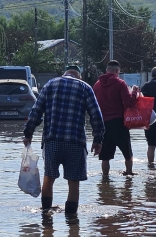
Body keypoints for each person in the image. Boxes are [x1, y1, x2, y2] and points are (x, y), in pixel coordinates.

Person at [23, 65, 104, 214]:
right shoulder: (85, 87)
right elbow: (96, 116)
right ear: (78, 76)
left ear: (64, 74)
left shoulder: (50, 85)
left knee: (49, 177)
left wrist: (28, 133)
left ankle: (46, 217)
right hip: (75, 142)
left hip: (52, 141)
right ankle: (72, 223)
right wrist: (98, 140)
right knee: (73, 182)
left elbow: (36, 111)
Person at [93, 60, 139, 177]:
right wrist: (134, 92)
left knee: (105, 157)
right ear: (117, 71)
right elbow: (129, 103)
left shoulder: (97, 85)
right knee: (127, 153)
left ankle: (105, 180)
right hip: (119, 123)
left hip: (103, 125)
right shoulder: (120, 83)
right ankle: (129, 176)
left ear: (106, 70)